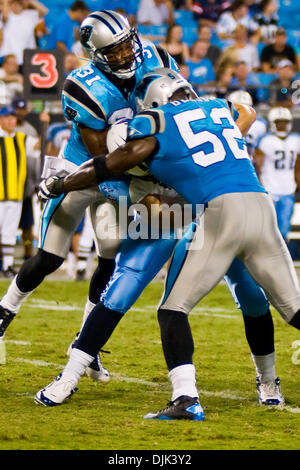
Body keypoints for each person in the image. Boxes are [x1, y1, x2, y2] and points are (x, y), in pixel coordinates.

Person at [34, 70, 282, 410]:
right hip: (165, 216)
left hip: (214, 216)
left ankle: (267, 380)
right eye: (176, 100)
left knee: (251, 296)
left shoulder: (201, 118)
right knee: (121, 291)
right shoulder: (133, 135)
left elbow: (245, 114)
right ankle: (70, 375)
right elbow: (123, 181)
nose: (184, 105)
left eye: (186, 97)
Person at [0, 10, 179, 378]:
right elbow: (102, 156)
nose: (126, 55)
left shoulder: (158, 59)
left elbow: (176, 112)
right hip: (81, 171)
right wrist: (139, 194)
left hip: (127, 167)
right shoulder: (84, 86)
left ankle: (86, 342)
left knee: (110, 258)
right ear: (97, 56)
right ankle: (5, 309)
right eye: (114, 51)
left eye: (127, 43)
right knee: (50, 257)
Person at [0, 105, 40, 276]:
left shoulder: (22, 138)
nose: (11, 121)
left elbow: (40, 144)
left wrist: (44, 123)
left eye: (13, 117)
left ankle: (7, 266)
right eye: (7, 117)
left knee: (9, 232)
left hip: (16, 194)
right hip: (1, 194)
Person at [253, 107, 300, 241]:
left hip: (288, 189)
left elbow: (297, 166)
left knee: (284, 230)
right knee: (266, 228)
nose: (283, 125)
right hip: (269, 189)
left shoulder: (296, 139)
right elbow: (258, 168)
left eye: (285, 122)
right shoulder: (265, 140)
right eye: (279, 122)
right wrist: (260, 187)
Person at [0, 0, 48, 67]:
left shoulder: (31, 15)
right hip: (9, 58)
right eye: (14, 4)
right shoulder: (6, 15)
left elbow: (44, 11)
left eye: (18, 4)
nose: (16, 6)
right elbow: (5, 16)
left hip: (28, 57)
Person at [227, 89, 267, 156]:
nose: (242, 112)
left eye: (245, 108)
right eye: (238, 108)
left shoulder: (259, 125)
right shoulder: (223, 122)